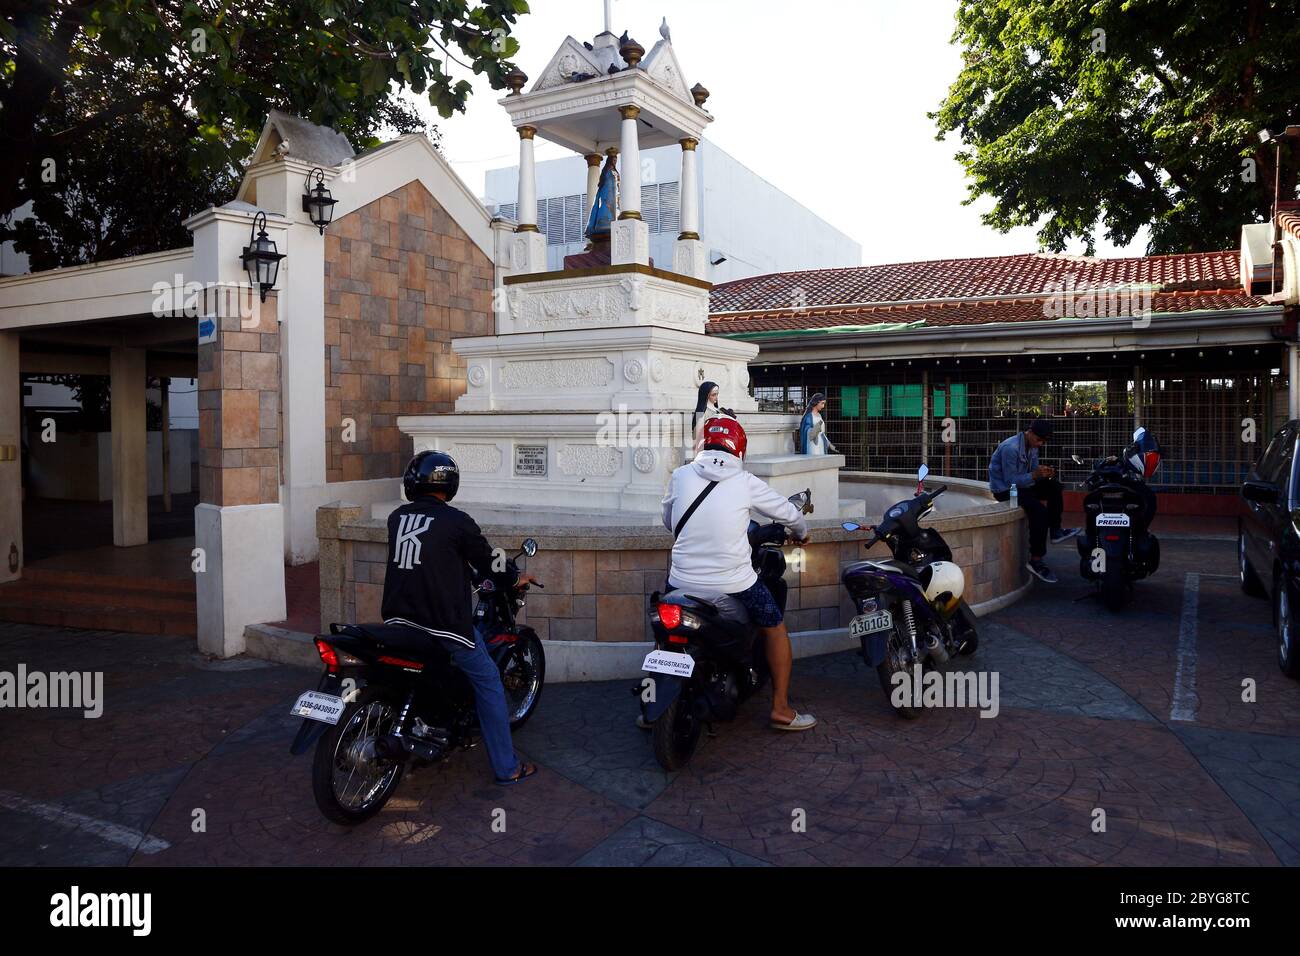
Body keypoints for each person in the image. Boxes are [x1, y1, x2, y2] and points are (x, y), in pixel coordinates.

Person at [381, 450, 539, 785]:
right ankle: (507, 767)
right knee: (489, 681)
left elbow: (430, 557)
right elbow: (490, 563)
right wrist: (514, 578)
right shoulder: (457, 522)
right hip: (443, 627)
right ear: (449, 482)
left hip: (397, 623)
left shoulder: (397, 518)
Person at [661, 417, 817, 731]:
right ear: (740, 449)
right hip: (734, 583)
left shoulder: (680, 475)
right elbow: (790, 514)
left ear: (705, 443)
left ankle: (656, 702)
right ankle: (781, 708)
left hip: (680, 581)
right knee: (774, 626)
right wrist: (802, 532)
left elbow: (668, 520)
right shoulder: (745, 481)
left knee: (665, 633)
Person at [988, 418, 1079, 583]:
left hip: (1023, 485)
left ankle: (1056, 531)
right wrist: (1035, 475)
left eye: (1043, 442)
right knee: (1039, 512)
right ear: (1030, 433)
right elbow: (1010, 481)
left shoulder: (1033, 446)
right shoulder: (1011, 448)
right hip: (1006, 490)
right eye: (1039, 440)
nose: (1040, 444)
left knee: (1054, 487)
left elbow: (1032, 471)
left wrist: (1043, 472)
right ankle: (1036, 560)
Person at [691, 380, 734, 450]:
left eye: (717, 394)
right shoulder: (701, 413)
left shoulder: (719, 411)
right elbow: (697, 437)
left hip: (721, 447)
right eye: (713, 395)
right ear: (706, 395)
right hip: (708, 449)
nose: (716, 397)